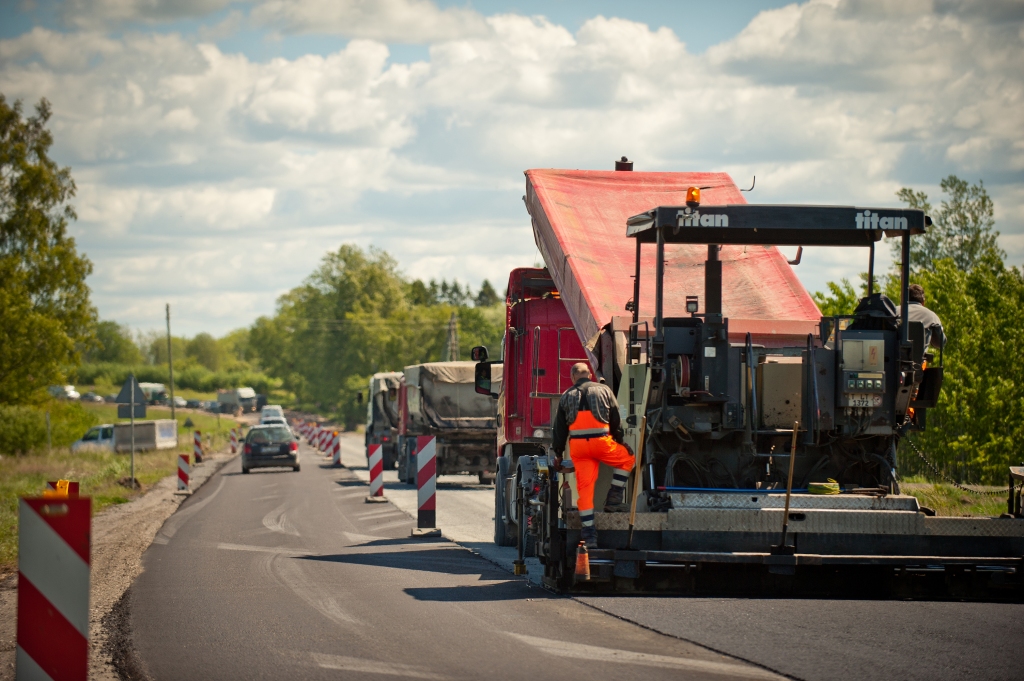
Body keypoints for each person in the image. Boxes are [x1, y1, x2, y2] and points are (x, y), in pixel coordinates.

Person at [552, 363, 634, 548]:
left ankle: (589, 537)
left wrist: (558, 454)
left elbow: (559, 430)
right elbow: (616, 421)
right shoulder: (604, 390)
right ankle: (613, 499)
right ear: (590, 375)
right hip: (601, 443)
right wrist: (620, 443)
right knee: (627, 460)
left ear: (573, 377)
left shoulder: (566, 395)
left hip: (580, 448)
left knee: (585, 492)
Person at [906, 284, 945, 349]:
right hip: (918, 358)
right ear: (923, 302)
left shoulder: (893, 312)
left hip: (892, 357)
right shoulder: (931, 316)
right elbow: (940, 343)